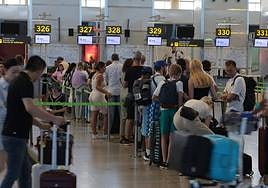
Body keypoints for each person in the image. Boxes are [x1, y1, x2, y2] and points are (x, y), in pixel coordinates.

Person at [1, 55, 65, 188]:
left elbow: (22, 112)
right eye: (40, 73)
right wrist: (54, 118)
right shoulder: (25, 82)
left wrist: (41, 124)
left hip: (16, 134)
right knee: (13, 173)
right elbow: (30, 108)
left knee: (25, 172)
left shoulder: (19, 81)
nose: (39, 77)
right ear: (38, 70)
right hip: (14, 135)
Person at [153, 64, 184, 169]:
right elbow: (180, 97)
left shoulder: (162, 82)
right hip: (174, 111)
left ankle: (164, 159)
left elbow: (154, 97)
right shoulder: (179, 83)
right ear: (179, 73)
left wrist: (162, 101)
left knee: (163, 136)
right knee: (172, 136)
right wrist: (179, 109)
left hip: (164, 111)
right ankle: (169, 161)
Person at [0, 58, 22, 173]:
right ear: (5, 70)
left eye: (18, 72)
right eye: (14, 72)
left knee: (10, 168)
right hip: (2, 133)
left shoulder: (15, 88)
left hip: (10, 133)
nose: (16, 75)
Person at [142, 60, 166, 160]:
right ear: (162, 68)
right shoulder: (162, 79)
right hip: (157, 106)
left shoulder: (151, 78)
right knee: (156, 129)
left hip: (147, 105)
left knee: (147, 128)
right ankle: (153, 152)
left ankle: (147, 152)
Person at [124, 51, 144, 143]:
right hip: (142, 96)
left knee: (130, 117)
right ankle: (140, 138)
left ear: (133, 59)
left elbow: (125, 84)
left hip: (131, 95)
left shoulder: (129, 70)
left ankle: (127, 137)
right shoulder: (144, 70)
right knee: (141, 118)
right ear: (141, 59)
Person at [88, 61, 112, 139]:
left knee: (94, 115)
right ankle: (105, 132)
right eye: (104, 67)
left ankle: (94, 133)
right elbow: (98, 87)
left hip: (92, 95)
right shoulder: (100, 75)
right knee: (106, 114)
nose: (105, 68)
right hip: (99, 95)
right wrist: (107, 92)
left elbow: (92, 85)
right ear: (101, 68)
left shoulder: (94, 75)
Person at [105, 53, 122, 135]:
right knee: (121, 114)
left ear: (112, 59)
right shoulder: (122, 66)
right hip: (120, 91)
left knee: (111, 114)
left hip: (111, 91)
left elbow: (106, 80)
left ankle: (109, 131)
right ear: (118, 58)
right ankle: (121, 132)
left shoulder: (107, 68)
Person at [119, 58, 133, 144]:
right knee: (125, 117)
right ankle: (123, 136)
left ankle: (124, 135)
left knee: (124, 117)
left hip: (122, 94)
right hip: (126, 95)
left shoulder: (123, 72)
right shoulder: (127, 73)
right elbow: (125, 84)